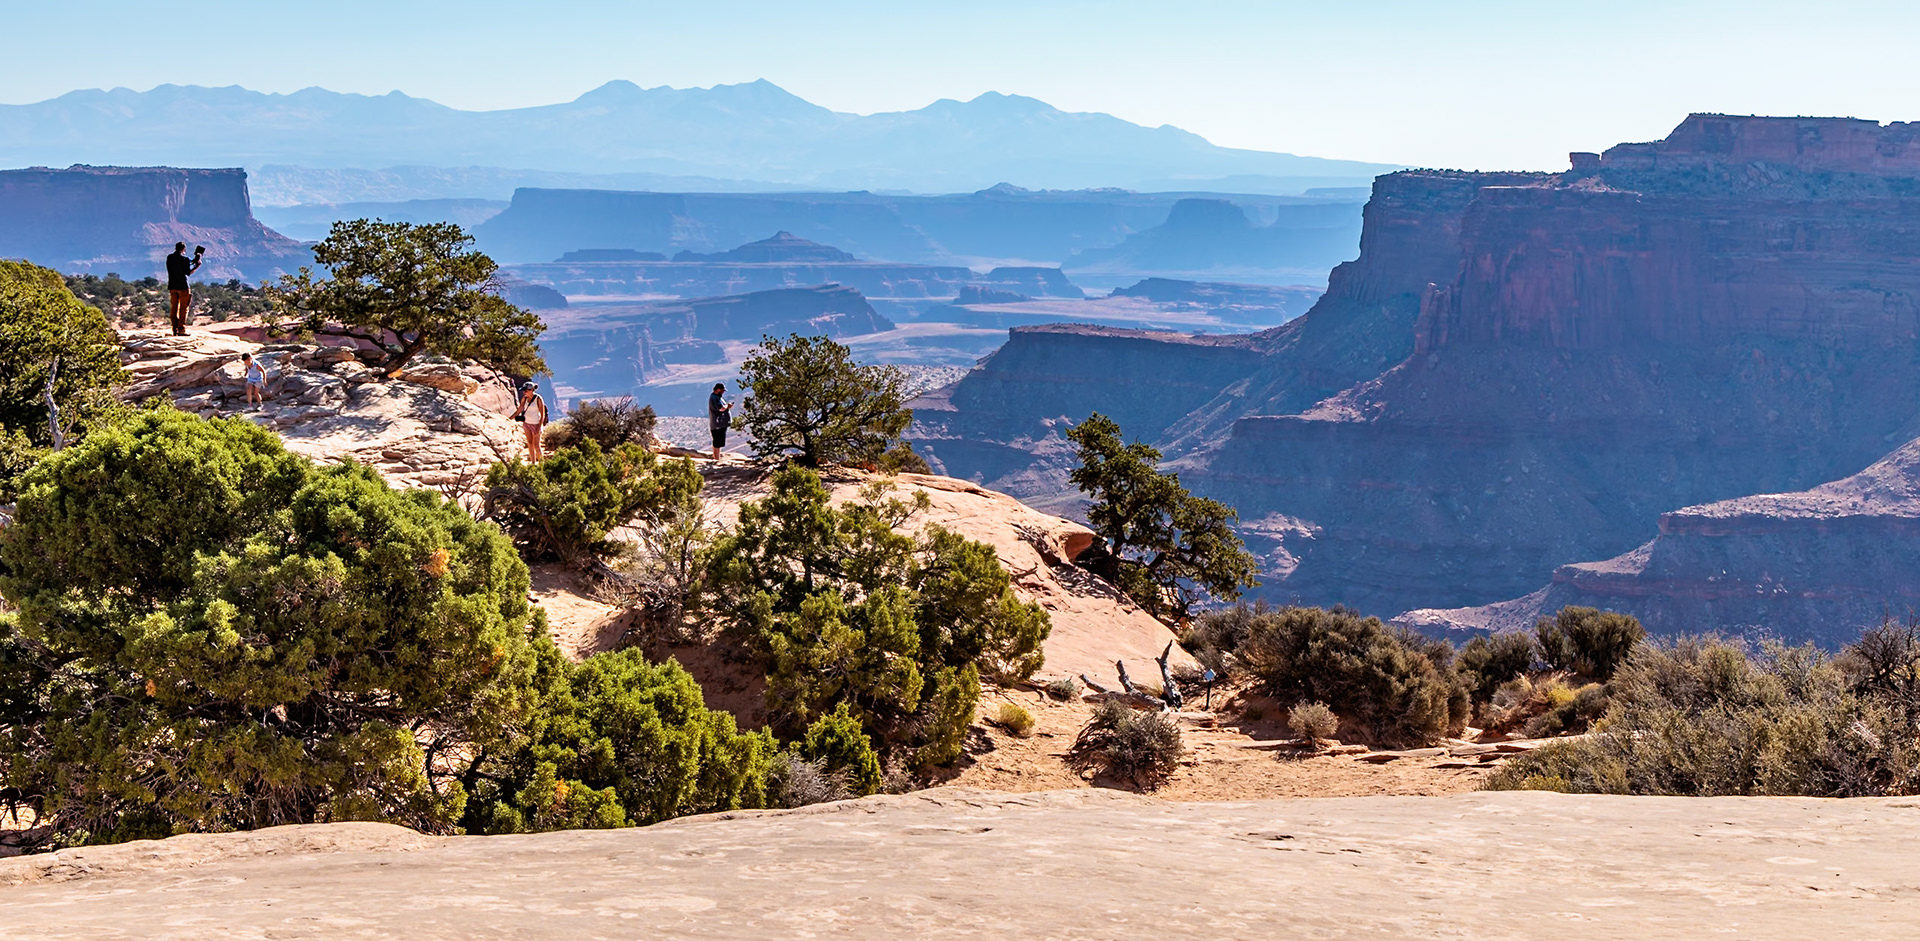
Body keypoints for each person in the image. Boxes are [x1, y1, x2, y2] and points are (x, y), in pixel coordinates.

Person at [165, 242, 204, 336]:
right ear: (184, 249)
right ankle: (181, 329)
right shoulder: (185, 259)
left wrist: (191, 261)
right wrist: (196, 266)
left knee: (174, 308)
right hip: (183, 286)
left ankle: (174, 329)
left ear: (175, 248)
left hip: (172, 286)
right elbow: (188, 272)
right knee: (183, 308)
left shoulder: (169, 257)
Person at [514, 381, 548, 462]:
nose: (524, 392)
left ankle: (541, 464)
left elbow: (542, 414)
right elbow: (520, 409)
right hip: (526, 423)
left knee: (536, 445)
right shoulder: (524, 398)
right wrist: (511, 417)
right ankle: (533, 463)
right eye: (524, 390)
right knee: (530, 443)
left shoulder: (538, 399)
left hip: (536, 424)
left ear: (532, 390)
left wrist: (539, 427)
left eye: (526, 391)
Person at [708, 382, 734, 460]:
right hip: (717, 424)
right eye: (722, 390)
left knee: (718, 442)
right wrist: (728, 406)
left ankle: (716, 457)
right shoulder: (714, 398)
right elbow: (720, 408)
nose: (723, 392)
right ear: (718, 390)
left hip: (720, 424)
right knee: (717, 442)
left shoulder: (717, 397)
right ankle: (716, 458)